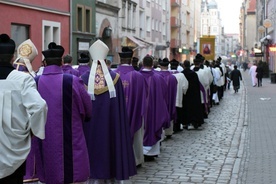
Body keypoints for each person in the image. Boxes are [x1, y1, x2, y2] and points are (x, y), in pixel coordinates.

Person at [34, 42, 92, 184]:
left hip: (44, 137)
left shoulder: (35, 82)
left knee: (47, 173)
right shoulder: (72, 81)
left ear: (44, 62)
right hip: (71, 137)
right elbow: (88, 108)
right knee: (71, 175)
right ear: (61, 62)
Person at [81, 40, 137, 183]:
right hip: (110, 127)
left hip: (89, 127)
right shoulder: (115, 79)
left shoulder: (82, 80)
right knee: (110, 148)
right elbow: (120, 109)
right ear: (106, 60)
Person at [0, 33, 47, 184]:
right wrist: (32, 130)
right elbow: (40, 106)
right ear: (13, 57)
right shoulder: (22, 79)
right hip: (14, 148)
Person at [115, 47, 146, 167]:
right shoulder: (138, 76)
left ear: (120, 59)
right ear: (131, 59)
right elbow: (142, 97)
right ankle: (135, 159)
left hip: (116, 115)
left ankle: (118, 159)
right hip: (135, 113)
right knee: (136, 136)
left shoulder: (112, 75)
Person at [139, 55, 170, 161]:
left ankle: (139, 153)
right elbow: (164, 94)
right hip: (154, 111)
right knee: (153, 124)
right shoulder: (158, 78)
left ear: (143, 63)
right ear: (152, 64)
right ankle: (152, 153)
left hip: (140, 111)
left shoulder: (136, 76)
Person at [157, 57, 178, 138]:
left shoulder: (157, 76)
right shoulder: (173, 77)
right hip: (170, 99)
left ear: (161, 66)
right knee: (169, 111)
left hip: (160, 100)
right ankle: (169, 132)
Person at [182, 60, 203, 130]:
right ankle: (194, 121)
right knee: (193, 108)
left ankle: (185, 122)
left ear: (184, 65)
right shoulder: (194, 74)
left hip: (185, 94)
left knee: (185, 108)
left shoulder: (182, 74)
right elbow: (197, 86)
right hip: (193, 94)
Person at [169, 59, 189, 133]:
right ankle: (176, 127)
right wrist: (183, 93)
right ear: (177, 66)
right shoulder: (181, 75)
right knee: (178, 113)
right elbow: (185, 86)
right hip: (178, 98)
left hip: (169, 99)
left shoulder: (167, 74)